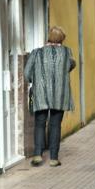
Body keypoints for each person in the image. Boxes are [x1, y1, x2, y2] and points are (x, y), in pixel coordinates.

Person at [25, 26, 76, 167]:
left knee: (40, 124)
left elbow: (27, 73)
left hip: (40, 94)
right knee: (55, 125)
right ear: (61, 40)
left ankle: (37, 155)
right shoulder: (67, 53)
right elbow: (71, 65)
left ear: (48, 38)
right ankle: (53, 158)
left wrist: (34, 80)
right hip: (59, 95)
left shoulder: (36, 53)